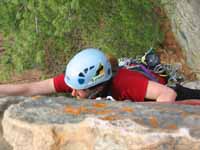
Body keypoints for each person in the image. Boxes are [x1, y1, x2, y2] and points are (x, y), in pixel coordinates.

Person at [0, 48, 200, 103]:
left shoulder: (125, 83)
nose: (72, 93)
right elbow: (30, 88)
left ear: (98, 86)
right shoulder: (77, 80)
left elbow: (167, 95)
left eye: (79, 91)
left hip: (176, 96)